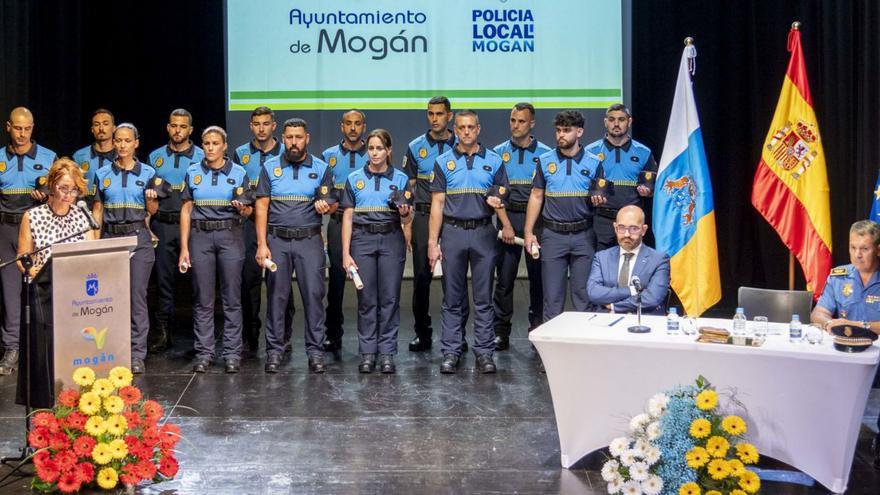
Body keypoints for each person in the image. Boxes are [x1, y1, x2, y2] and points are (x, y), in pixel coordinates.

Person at [428, 110, 511, 374]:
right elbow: (437, 204)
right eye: (461, 127)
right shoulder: (443, 161)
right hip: (452, 233)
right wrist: (433, 241)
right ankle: (451, 351)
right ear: (456, 129)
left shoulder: (495, 161)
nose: (466, 132)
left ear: (478, 129)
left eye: (470, 127)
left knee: (483, 297)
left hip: (483, 233)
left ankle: (484, 353)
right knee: (452, 298)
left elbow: (500, 197)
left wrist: (501, 210)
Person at [254, 118, 335, 374]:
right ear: (283, 137)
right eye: (289, 137)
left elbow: (330, 202)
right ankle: (275, 351)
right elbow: (262, 206)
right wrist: (261, 244)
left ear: (307, 138)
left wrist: (326, 206)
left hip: (309, 240)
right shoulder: (270, 167)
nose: (293, 142)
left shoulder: (321, 168)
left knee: (313, 296)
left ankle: (315, 352)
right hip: (277, 240)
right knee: (277, 297)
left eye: (298, 137)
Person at [14, 158, 97, 406]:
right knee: (46, 355)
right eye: (63, 188)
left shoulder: (84, 216)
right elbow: (22, 257)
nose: (68, 195)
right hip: (44, 294)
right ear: (51, 185)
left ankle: (78, 399)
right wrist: (33, 268)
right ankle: (45, 402)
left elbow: (93, 255)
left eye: (73, 190)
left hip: (76, 296)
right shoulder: (33, 216)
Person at [179, 126, 250, 374]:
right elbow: (186, 210)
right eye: (206, 143)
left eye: (215, 143)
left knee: (232, 297)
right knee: (203, 299)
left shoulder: (239, 172)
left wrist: (243, 209)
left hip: (229, 234)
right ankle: (205, 352)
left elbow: (249, 210)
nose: (210, 148)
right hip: (200, 236)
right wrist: (184, 247)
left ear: (224, 146)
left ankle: (231, 353)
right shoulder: (193, 172)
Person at [523, 110, 606, 324]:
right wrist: (529, 231)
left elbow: (601, 193)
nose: (561, 135)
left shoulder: (594, 162)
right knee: (552, 298)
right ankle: (551, 356)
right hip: (553, 236)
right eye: (558, 130)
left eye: (567, 130)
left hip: (583, 235)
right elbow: (536, 195)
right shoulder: (544, 160)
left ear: (579, 132)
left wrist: (599, 198)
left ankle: (583, 351)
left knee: (583, 296)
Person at [341, 129, 412, 373]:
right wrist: (345, 253)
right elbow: (348, 217)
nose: (374, 153)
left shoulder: (401, 179)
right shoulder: (354, 179)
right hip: (362, 239)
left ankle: (387, 353)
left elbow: (407, 217)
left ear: (389, 151)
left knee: (390, 298)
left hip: (391, 237)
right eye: (371, 148)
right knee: (367, 298)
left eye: (379, 148)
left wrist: (404, 212)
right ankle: (368, 352)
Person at [810, 219, 880, 468]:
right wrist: (828, 323)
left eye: (864, 248)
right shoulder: (839, 276)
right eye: (853, 248)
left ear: (878, 249)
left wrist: (863, 327)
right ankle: (826, 443)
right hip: (845, 351)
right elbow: (818, 313)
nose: (857, 255)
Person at [403, 96, 469, 352]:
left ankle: (458, 335)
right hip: (422, 217)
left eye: (439, 114)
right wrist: (406, 221)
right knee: (421, 278)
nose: (434, 118)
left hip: (453, 220)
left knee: (455, 279)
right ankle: (423, 333)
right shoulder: (416, 146)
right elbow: (408, 186)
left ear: (449, 116)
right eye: (430, 114)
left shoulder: (462, 144)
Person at [92, 123, 158, 374]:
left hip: (138, 238)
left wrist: (151, 201)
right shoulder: (102, 173)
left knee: (136, 297)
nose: (121, 145)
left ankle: (137, 353)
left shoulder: (148, 172)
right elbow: (97, 210)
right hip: (111, 238)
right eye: (118, 140)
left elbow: (153, 211)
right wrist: (94, 244)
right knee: (111, 299)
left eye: (127, 141)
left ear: (136, 143)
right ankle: (113, 351)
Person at [232, 106, 295, 353]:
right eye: (257, 123)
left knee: (280, 282)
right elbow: (237, 187)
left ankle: (284, 333)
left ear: (274, 126)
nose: (261, 128)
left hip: (278, 222)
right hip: (247, 224)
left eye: (266, 123)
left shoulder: (286, 150)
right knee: (248, 281)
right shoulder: (240, 154)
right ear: (251, 126)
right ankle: (250, 334)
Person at [0, 107, 56, 376]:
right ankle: (12, 347)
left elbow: (60, 195)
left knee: (42, 289)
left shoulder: (48, 157)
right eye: (18, 128)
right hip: (7, 229)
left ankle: (43, 345)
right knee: (11, 293)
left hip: (39, 230)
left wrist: (46, 194)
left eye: (28, 128)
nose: (22, 134)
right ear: (8, 127)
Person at [491, 103, 551, 349]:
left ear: (532, 123)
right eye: (513, 120)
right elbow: (494, 194)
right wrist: (505, 223)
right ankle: (501, 332)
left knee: (539, 280)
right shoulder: (497, 154)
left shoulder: (547, 155)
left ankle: (536, 329)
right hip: (508, 221)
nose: (516, 125)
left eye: (521, 121)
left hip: (538, 224)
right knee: (504, 280)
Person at [147, 108, 205, 352]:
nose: (178, 130)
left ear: (190, 130)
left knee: (199, 282)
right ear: (168, 127)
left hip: (194, 228)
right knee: (163, 282)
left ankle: (199, 336)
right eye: (174, 125)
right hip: (162, 224)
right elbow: (148, 197)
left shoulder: (203, 155)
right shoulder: (155, 157)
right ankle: (163, 333)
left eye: (183, 126)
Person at [323, 109, 369, 352]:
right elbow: (322, 195)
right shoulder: (328, 156)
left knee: (368, 282)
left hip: (366, 226)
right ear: (341, 126)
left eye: (358, 123)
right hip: (338, 223)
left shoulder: (373, 153)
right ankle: (333, 333)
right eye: (348, 124)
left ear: (364, 126)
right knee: (337, 282)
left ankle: (369, 337)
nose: (353, 128)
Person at [585, 104, 658, 251]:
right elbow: (582, 186)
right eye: (612, 119)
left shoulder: (643, 152)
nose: (616, 124)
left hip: (632, 221)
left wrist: (649, 192)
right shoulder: (590, 152)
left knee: (630, 264)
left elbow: (654, 187)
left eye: (621, 119)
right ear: (605, 122)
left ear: (629, 122)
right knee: (601, 266)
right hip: (601, 221)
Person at [587, 205, 669, 314]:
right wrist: (632, 290)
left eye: (633, 228)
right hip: (606, 323)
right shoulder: (602, 257)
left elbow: (652, 298)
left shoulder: (659, 260)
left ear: (643, 230)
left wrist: (614, 306)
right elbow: (593, 292)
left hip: (644, 321)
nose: (626, 234)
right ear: (615, 228)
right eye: (621, 228)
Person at [71, 109, 117, 207]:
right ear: (92, 129)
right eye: (97, 124)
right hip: (85, 211)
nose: (101, 128)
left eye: (105, 124)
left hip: (113, 214)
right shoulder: (79, 156)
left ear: (113, 128)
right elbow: (71, 188)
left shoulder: (121, 155)